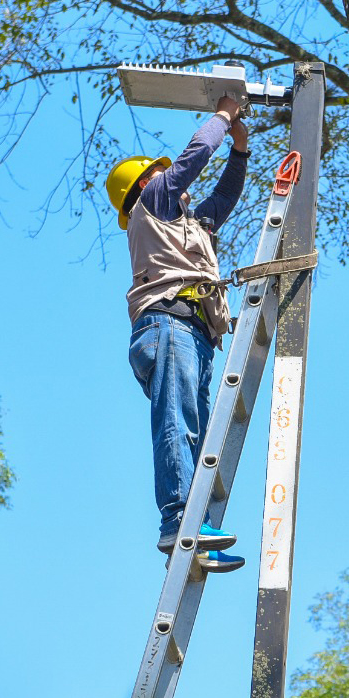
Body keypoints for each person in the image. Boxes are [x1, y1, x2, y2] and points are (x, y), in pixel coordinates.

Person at [105, 95, 250, 572]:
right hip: (167, 323)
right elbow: (192, 159)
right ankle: (178, 521)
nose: (175, 181)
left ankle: (196, 532)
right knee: (178, 420)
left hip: (194, 331)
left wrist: (241, 149)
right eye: (162, 173)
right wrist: (223, 116)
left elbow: (223, 198)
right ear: (146, 183)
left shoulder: (184, 224)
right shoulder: (155, 202)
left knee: (200, 437)